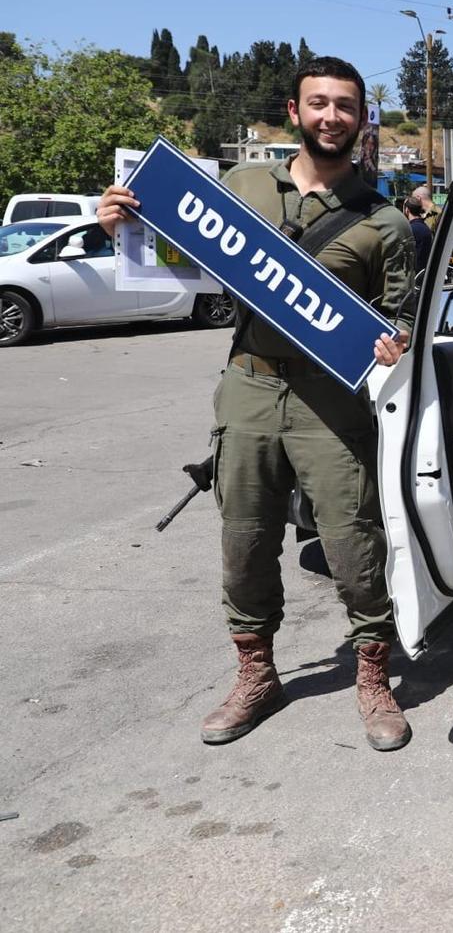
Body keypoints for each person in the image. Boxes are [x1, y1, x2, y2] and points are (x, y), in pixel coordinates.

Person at [96, 57, 418, 752]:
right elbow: (178, 258)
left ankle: (372, 675)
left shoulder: (385, 219)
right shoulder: (239, 187)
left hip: (331, 397)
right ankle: (256, 674)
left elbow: (402, 316)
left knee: (353, 543)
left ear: (362, 118)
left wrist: (394, 343)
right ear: (295, 111)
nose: (331, 116)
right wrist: (121, 226)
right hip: (248, 385)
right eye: (318, 103)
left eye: (345, 105)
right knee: (244, 538)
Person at [403, 188, 434, 268]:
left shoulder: (409, 230)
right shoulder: (426, 228)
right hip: (425, 271)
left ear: (407, 210)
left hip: (413, 272)